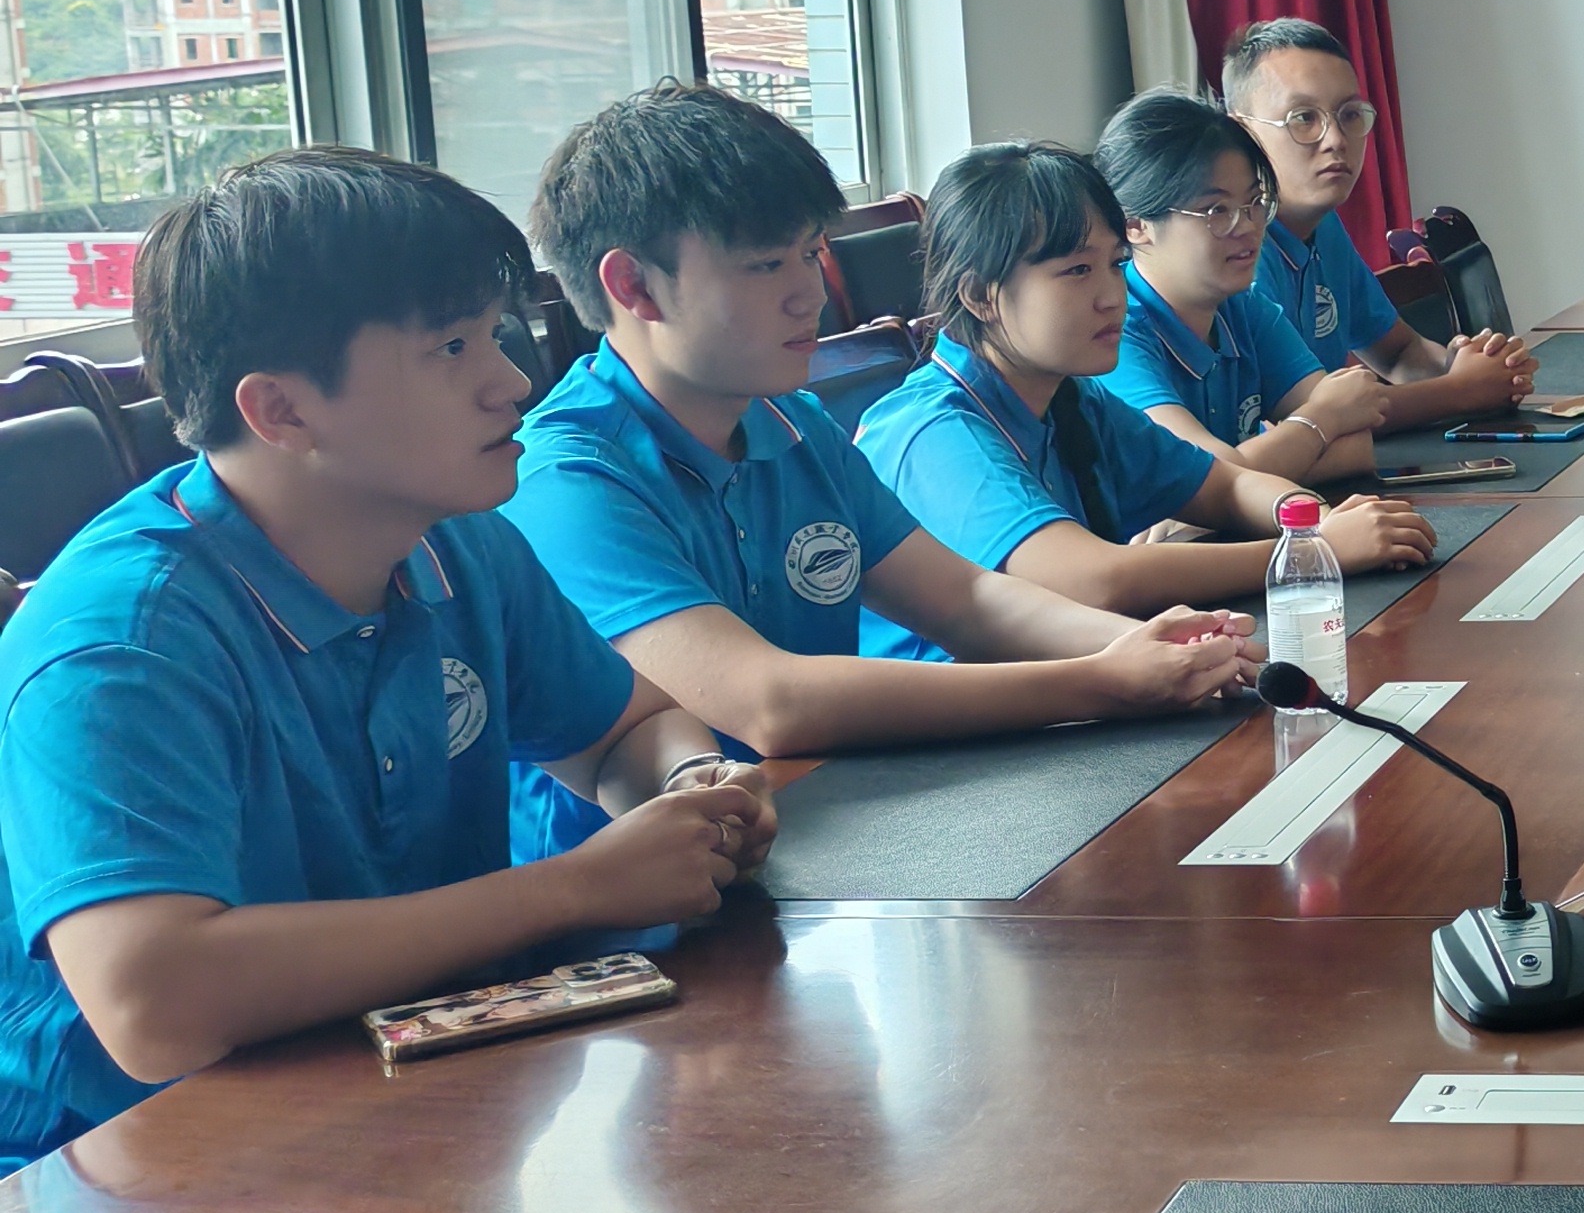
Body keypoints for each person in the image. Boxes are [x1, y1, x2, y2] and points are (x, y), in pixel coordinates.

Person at [0, 149, 771, 1170]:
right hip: (132, 1175)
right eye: (450, 348)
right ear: (281, 411)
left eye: (495, 333)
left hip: (416, 1095)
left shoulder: (453, 539)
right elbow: (155, 1006)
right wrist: (576, 888)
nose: (512, 382)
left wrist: (689, 789)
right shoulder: (122, 642)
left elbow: (626, 727)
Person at [505, 83, 1259, 848]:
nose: (808, 294)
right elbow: (769, 704)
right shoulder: (567, 480)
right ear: (634, 286)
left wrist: (1147, 647)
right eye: (765, 265)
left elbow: (964, 599)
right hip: (642, 892)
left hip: (829, 825)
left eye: (811, 253)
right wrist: (1099, 680)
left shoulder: (793, 423)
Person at [854, 141, 1436, 651]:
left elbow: (1226, 485)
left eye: (1115, 264)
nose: (1113, 296)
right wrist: (1310, 554)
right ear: (980, 295)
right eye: (1077, 271)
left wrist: (1314, 523)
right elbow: (1093, 579)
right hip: (958, 731)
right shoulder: (933, 429)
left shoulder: (1075, 399)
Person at [1095, 89, 1484, 483]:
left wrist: (1264, 458)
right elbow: (1210, 480)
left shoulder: (1242, 307)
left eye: (1254, 202)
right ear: (1135, 226)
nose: (1248, 226)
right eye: (1217, 210)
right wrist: (1322, 419)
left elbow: (1354, 435)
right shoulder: (1115, 334)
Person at [1222, 17, 1534, 412]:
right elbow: (1312, 416)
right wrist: (1460, 390)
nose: (1336, 140)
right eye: (1303, 118)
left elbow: (1399, 353)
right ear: (1241, 133)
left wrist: (1472, 365)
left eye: (1350, 115)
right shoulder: (1238, 251)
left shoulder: (1325, 228)